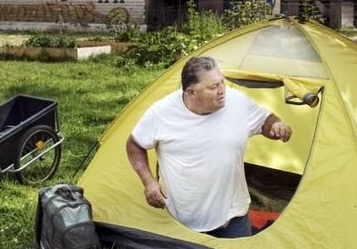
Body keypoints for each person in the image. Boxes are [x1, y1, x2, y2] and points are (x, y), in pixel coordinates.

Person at [125, 56, 292, 238]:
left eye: (222, 83)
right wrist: (149, 182)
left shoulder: (237, 102)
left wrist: (276, 126)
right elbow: (134, 144)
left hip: (232, 216)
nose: (222, 91)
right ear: (191, 93)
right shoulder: (162, 113)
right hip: (182, 221)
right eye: (213, 87)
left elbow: (265, 120)